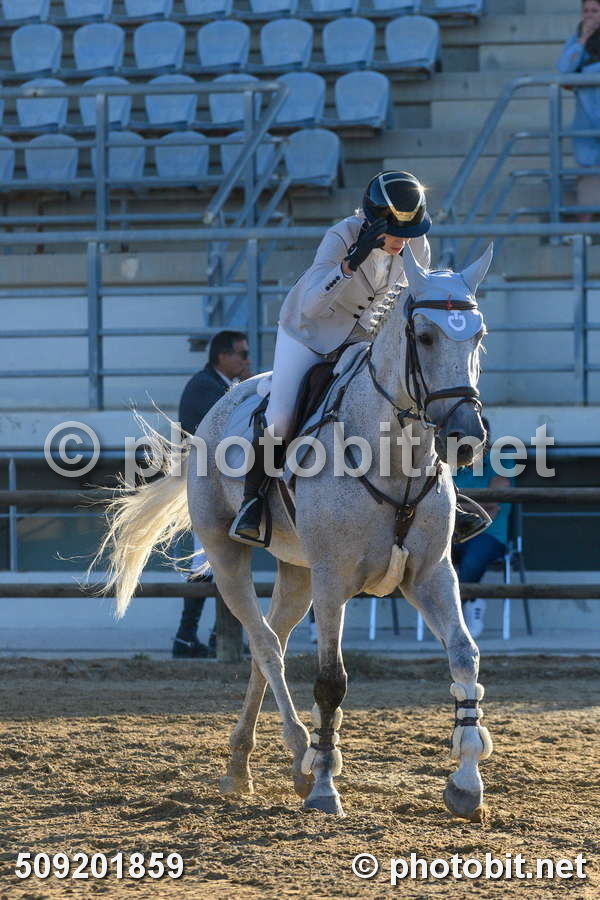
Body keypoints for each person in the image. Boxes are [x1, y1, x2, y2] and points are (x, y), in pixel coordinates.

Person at [229, 170, 488, 547]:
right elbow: (313, 305)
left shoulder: (416, 245)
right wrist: (351, 263)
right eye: (395, 233)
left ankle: (445, 497)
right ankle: (252, 502)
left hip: (365, 337)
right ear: (372, 222)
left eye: (409, 233)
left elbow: (410, 304)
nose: (402, 241)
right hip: (310, 334)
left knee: (411, 400)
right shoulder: (341, 236)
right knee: (281, 419)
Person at [173, 330, 250, 658]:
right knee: (206, 561)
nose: (247, 360)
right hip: (206, 487)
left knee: (216, 560)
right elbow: (230, 433)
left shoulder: (219, 385)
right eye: (241, 354)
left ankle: (208, 634)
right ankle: (188, 636)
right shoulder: (207, 388)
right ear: (222, 356)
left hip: (216, 486)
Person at [453, 419, 515, 639]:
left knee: (472, 561)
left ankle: (467, 604)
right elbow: (436, 499)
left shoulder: (501, 460)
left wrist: (455, 503)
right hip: (452, 533)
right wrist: (475, 505)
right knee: (429, 559)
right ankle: (463, 605)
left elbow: (492, 502)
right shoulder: (449, 463)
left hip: (489, 534)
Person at [557, 0, 600, 218]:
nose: (590, 15)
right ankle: (584, 233)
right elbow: (564, 70)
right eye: (586, 11)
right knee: (588, 184)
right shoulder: (576, 41)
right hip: (587, 122)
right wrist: (583, 39)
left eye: (595, 11)